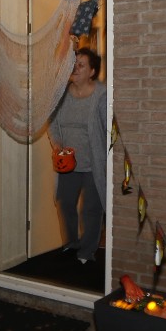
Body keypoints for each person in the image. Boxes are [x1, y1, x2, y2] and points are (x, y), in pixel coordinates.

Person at [48, 47, 108, 265]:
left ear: (92, 72)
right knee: (64, 203)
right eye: (73, 64)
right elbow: (52, 122)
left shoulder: (102, 95)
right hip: (67, 164)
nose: (75, 68)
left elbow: (107, 128)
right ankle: (71, 242)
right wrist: (57, 145)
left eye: (80, 65)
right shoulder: (61, 93)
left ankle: (87, 251)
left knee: (91, 210)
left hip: (94, 164)